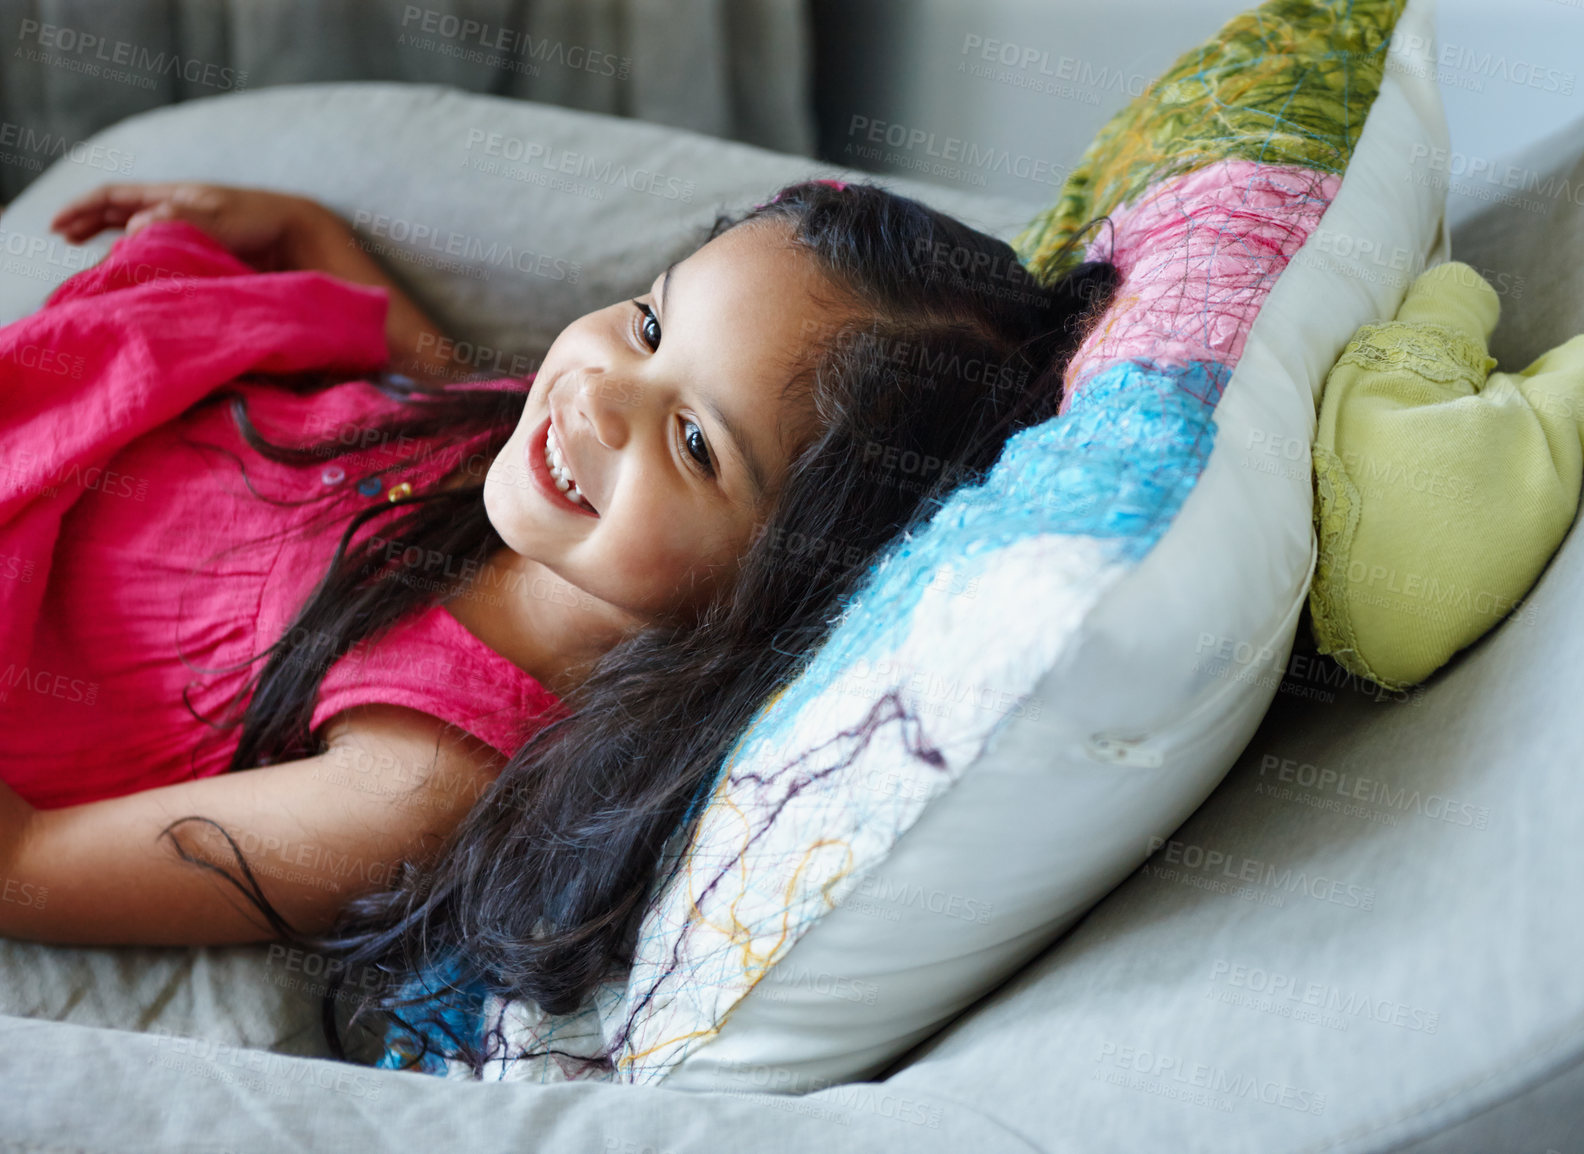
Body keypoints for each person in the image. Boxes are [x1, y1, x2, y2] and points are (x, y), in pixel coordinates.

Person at [0, 177, 1115, 1072]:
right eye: (646, 323)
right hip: (85, 424)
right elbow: (425, 371)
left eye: (693, 443)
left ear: (776, 592)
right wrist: (302, 227)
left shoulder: (418, 778)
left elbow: (26, 864)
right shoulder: (535, 461)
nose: (595, 395)